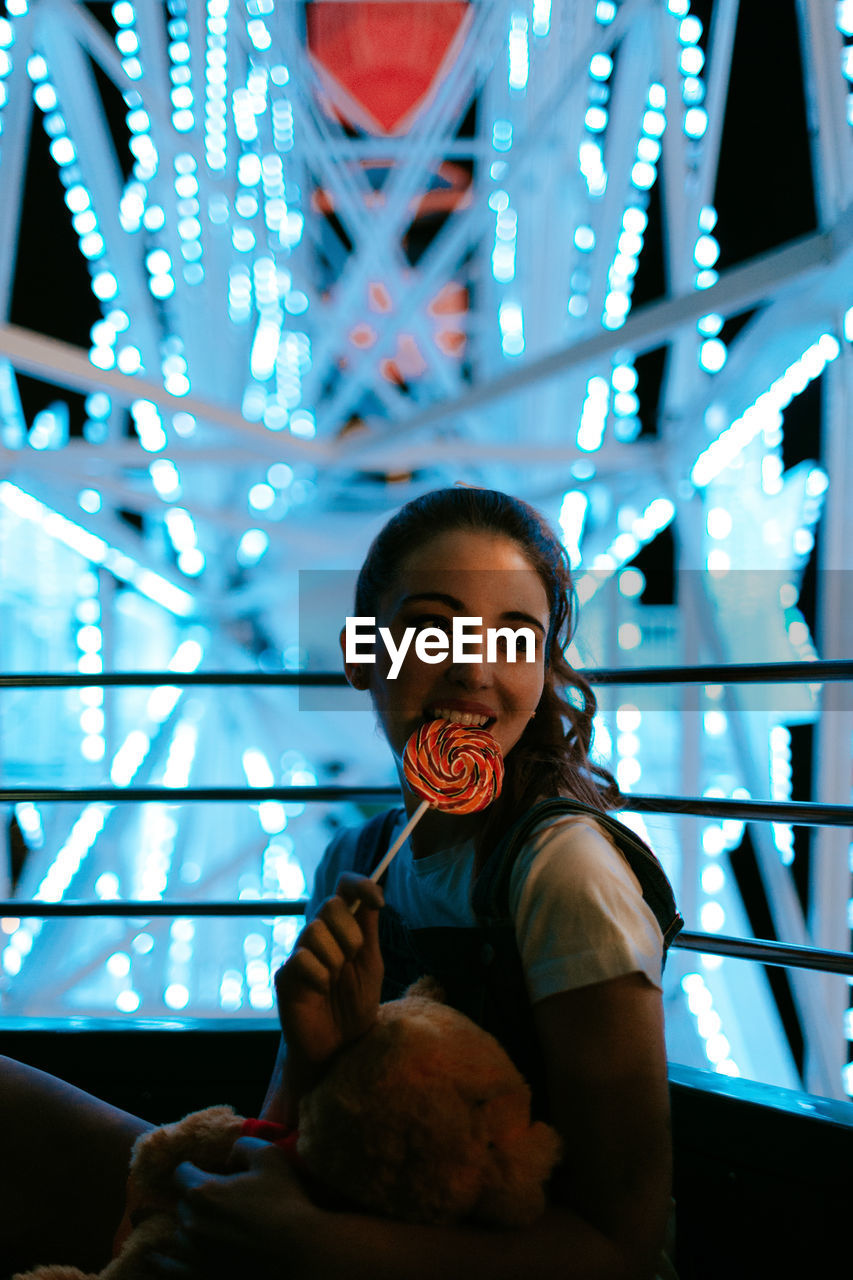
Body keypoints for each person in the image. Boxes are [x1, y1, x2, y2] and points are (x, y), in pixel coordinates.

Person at [0, 486, 680, 1280]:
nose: (471, 667)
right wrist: (311, 1054)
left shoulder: (565, 875)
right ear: (362, 653)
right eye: (430, 631)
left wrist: (320, 1248)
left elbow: (623, 1249)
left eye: (515, 638)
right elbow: (288, 1134)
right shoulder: (351, 865)